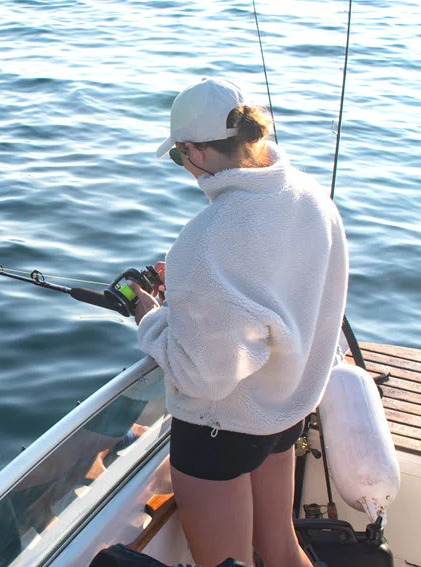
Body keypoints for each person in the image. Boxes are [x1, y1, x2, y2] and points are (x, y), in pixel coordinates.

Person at [128, 78, 349, 567]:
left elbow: (200, 376)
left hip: (218, 431)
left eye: (177, 157)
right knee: (281, 547)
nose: (182, 167)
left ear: (196, 152)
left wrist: (153, 319)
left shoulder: (205, 239)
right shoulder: (312, 198)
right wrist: (192, 298)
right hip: (284, 414)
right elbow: (274, 297)